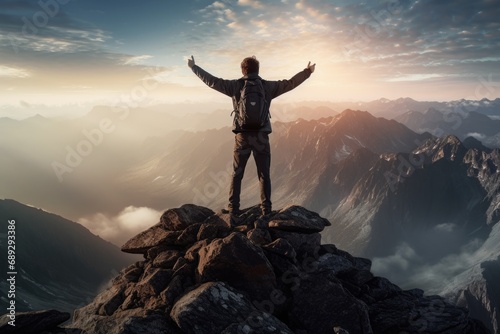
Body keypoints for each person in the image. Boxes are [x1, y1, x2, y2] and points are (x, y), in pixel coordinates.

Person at [188, 55, 315, 216]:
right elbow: (290, 84)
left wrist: (194, 67)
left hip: (242, 136)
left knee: (237, 173)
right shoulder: (267, 86)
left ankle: (233, 209)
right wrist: (308, 71)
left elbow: (212, 81)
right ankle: (266, 210)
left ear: (243, 70)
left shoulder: (236, 86)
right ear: (258, 69)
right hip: (261, 136)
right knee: (264, 174)